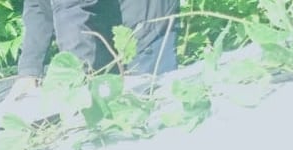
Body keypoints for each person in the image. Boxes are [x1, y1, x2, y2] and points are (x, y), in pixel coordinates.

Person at [14, 0, 178, 87]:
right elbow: (37, 4)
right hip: (104, 24)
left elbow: (72, 9)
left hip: (144, 26)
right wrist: (30, 70)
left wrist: (76, 80)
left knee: (151, 104)